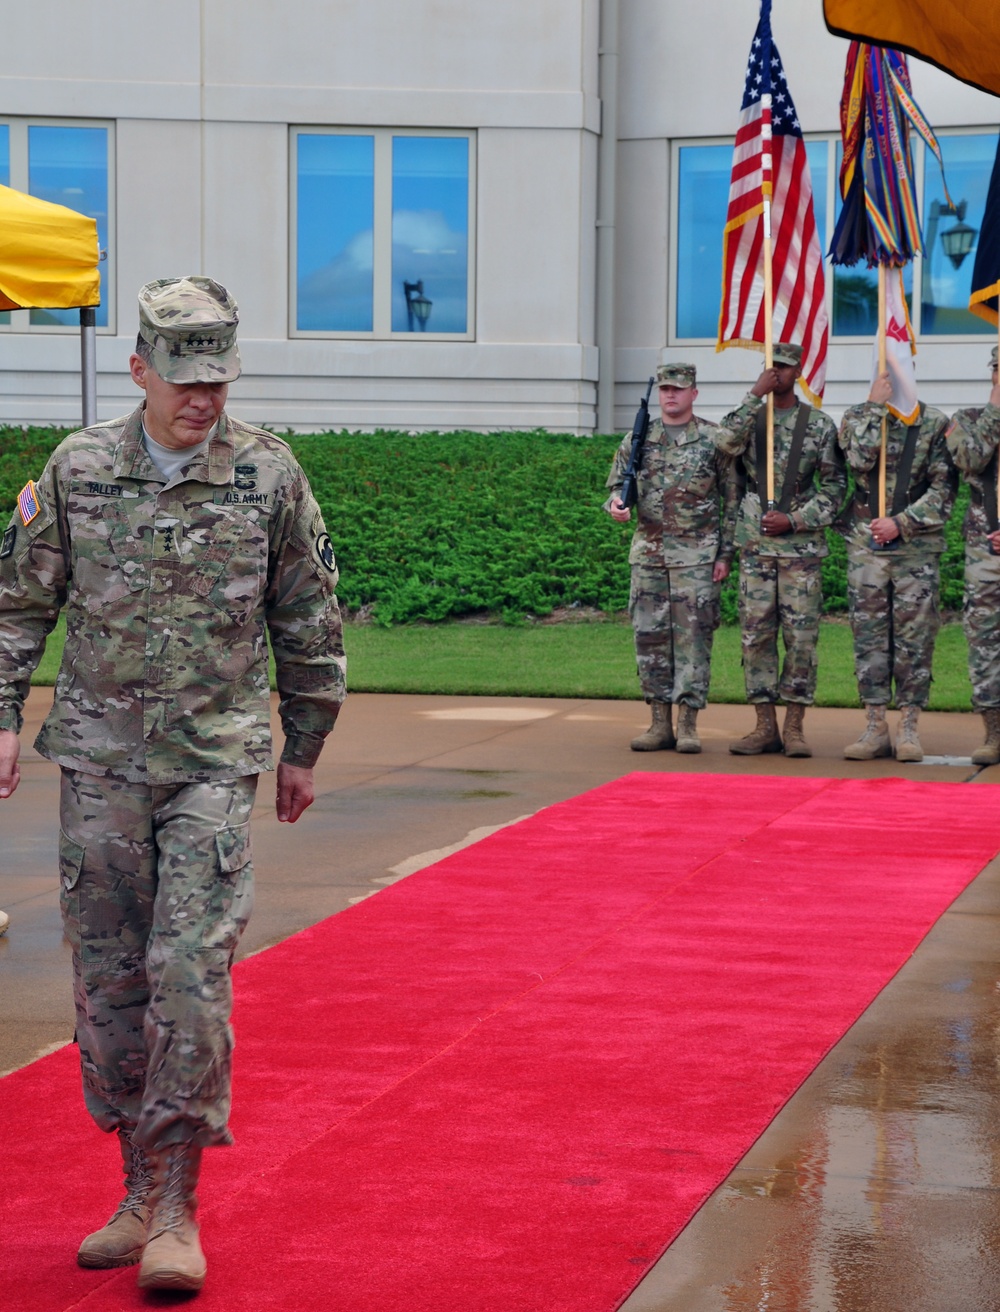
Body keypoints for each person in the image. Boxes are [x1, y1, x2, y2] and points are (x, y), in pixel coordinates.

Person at [0, 276, 346, 1293]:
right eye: (185, 379)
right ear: (140, 367)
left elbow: (308, 615)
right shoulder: (78, 469)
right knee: (110, 985)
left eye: (219, 381)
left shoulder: (270, 475)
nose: (203, 400)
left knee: (188, 975)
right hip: (100, 762)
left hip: (211, 761)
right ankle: (137, 1187)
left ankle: (180, 1204)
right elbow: (18, 607)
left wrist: (304, 742)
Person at [715, 344, 846, 757]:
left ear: (798, 371)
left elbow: (835, 488)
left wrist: (796, 520)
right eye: (771, 367)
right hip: (755, 547)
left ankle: (794, 728)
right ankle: (764, 727)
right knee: (756, 638)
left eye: (785, 367)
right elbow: (722, 443)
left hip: (800, 551)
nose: (778, 374)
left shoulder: (819, 425)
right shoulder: (751, 418)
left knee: (801, 639)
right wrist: (754, 394)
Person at [605, 361, 737, 753]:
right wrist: (615, 504)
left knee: (693, 642)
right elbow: (616, 487)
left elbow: (732, 503)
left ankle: (689, 724)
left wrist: (725, 554)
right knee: (650, 640)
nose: (670, 395)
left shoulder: (714, 440)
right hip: (647, 556)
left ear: (694, 393)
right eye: (665, 389)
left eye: (678, 389)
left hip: (696, 559)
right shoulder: (637, 439)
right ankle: (658, 723)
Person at [837, 371, 956, 762]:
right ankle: (874, 726)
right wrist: (874, 407)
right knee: (869, 638)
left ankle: (908, 727)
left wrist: (900, 523)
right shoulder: (857, 418)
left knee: (915, 640)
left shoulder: (936, 424)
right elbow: (856, 462)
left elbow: (944, 491)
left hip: (916, 552)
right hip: (867, 551)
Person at [946, 345, 1000, 765]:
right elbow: (970, 458)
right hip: (985, 554)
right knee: (985, 644)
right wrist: (996, 409)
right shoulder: (968, 420)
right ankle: (994, 734)